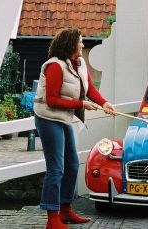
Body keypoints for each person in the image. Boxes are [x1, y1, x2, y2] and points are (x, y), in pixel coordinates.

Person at [33, 28, 116, 229]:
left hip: (64, 118)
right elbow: (51, 100)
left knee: (71, 165)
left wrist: (104, 103)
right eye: (80, 42)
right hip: (48, 118)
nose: (83, 45)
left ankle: (66, 210)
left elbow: (89, 88)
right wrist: (81, 104)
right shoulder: (54, 66)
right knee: (56, 169)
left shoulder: (79, 64)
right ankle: (52, 219)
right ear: (70, 44)